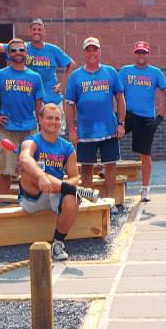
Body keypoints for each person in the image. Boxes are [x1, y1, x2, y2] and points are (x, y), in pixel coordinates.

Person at [0, 17, 75, 129]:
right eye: (34, 29)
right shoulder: (21, 48)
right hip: (31, 103)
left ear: (44, 31)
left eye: (39, 29)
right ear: (30, 31)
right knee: (34, 139)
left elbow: (71, 64)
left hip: (52, 99)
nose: (36, 32)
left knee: (54, 135)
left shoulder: (52, 50)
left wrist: (63, 84)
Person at [17, 103, 100, 261]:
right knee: (28, 169)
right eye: (49, 118)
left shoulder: (67, 147)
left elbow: (75, 177)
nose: (54, 122)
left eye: (57, 119)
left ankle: (58, 243)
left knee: (72, 198)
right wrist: (41, 177)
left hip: (55, 193)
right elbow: (24, 158)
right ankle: (77, 191)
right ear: (40, 120)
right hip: (33, 195)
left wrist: (62, 187)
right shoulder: (31, 141)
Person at [0, 37, 46, 194]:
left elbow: (39, 104)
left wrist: (42, 127)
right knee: (6, 170)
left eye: (21, 49)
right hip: (8, 129)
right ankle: (3, 203)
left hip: (30, 130)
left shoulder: (35, 77)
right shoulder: (1, 75)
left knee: (31, 169)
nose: (18, 53)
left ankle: (30, 200)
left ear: (26, 52)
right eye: (13, 50)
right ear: (8, 53)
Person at [65, 37, 126, 204]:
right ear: (84, 53)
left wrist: (121, 123)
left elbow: (120, 99)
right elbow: (69, 104)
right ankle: (87, 202)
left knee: (110, 165)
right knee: (86, 167)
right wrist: (71, 129)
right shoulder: (75, 76)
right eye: (88, 50)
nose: (92, 53)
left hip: (109, 129)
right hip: (85, 132)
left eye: (95, 50)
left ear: (100, 52)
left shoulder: (111, 72)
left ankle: (110, 201)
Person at [117, 41, 166, 202]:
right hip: (127, 114)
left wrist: (160, 116)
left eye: (143, 52)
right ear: (135, 53)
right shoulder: (125, 71)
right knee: (110, 137)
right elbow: (117, 94)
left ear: (147, 54)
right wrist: (119, 118)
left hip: (146, 117)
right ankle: (108, 167)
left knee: (145, 153)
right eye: (138, 52)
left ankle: (145, 189)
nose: (141, 55)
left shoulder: (155, 72)